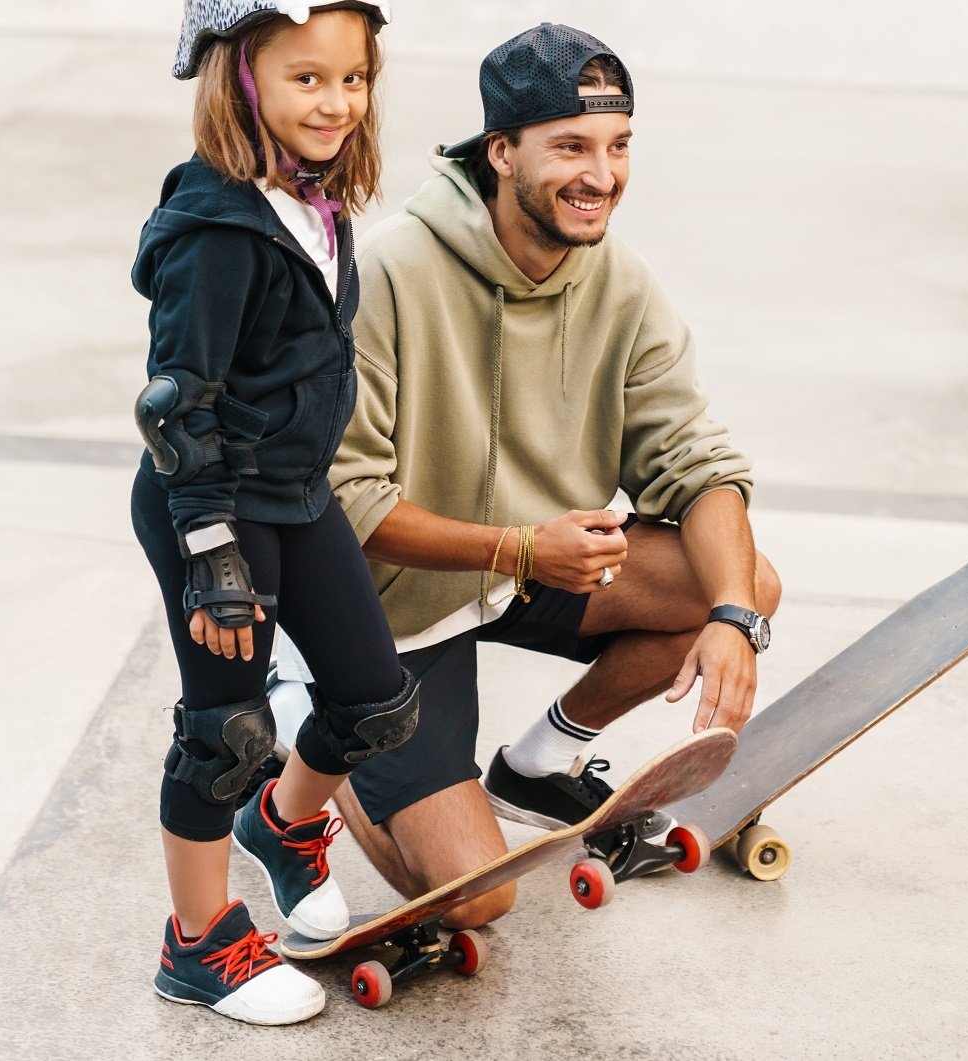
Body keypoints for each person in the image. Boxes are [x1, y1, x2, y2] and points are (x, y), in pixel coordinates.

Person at [278, 22, 781, 928]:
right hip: (391, 606)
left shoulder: (618, 282)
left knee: (736, 580)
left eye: (618, 145)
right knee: (476, 898)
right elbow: (342, 501)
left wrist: (735, 617)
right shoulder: (389, 273)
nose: (601, 175)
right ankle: (314, 734)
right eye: (571, 147)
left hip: (529, 569)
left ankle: (542, 760)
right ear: (501, 151)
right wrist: (519, 547)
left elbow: (696, 460)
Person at [130, 0, 417, 1025]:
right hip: (213, 506)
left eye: (354, 77)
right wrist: (211, 550)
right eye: (308, 78)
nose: (337, 101)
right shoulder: (219, 225)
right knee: (224, 730)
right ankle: (197, 942)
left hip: (293, 489)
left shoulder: (312, 198)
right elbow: (176, 403)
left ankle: (281, 825)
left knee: (374, 696)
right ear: (238, 79)